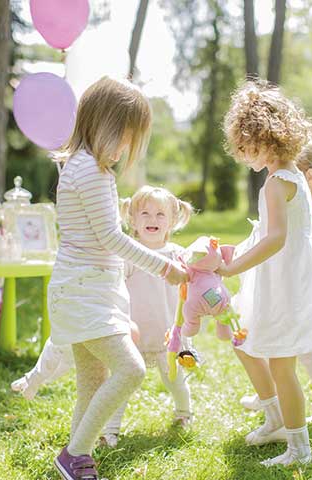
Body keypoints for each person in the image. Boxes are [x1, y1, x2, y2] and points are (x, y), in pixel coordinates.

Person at [48, 76, 188, 480]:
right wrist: (164, 265)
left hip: (82, 289)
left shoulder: (81, 166)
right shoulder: (91, 172)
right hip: (84, 292)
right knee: (132, 369)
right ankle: (75, 454)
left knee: (92, 381)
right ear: (105, 124)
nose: (126, 148)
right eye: (125, 137)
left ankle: (72, 460)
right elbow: (111, 238)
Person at [11, 186, 194, 447]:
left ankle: (184, 412)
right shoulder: (130, 255)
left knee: (175, 379)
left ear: (173, 220)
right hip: (132, 333)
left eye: (160, 215)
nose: (152, 220)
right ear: (132, 219)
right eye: (145, 213)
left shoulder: (178, 254)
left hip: (167, 335)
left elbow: (193, 283)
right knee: (121, 383)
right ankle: (110, 432)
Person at [219, 79, 312, 467]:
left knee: (283, 366)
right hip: (289, 280)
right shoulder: (291, 174)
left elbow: (276, 239)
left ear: (272, 139)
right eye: (242, 149)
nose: (246, 156)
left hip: (285, 284)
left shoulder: (277, 182)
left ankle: (299, 448)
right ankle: (279, 421)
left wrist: (232, 267)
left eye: (250, 147)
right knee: (260, 350)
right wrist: (239, 250)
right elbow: (268, 234)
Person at [239, 142, 312, 421]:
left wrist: (303, 286)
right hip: (299, 292)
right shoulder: (298, 206)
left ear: (308, 177)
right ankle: (270, 394)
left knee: (307, 354)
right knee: (282, 346)